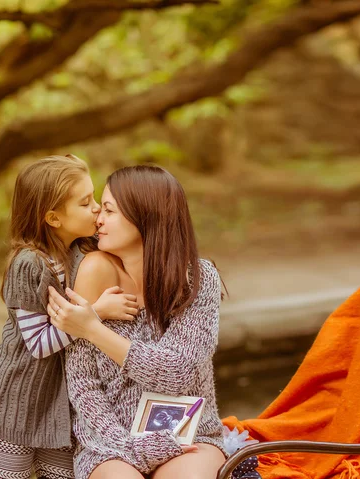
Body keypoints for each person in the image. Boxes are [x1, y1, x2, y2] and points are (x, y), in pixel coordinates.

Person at [47, 165, 226, 479]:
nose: (98, 219)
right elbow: (84, 388)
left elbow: (179, 372)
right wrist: (129, 447)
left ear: (145, 216)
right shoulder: (94, 272)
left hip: (188, 434)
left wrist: (92, 329)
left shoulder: (197, 278)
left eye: (109, 210)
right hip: (109, 444)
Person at [0, 155, 137, 479]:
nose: (96, 208)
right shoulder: (29, 265)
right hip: (16, 404)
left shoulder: (81, 250)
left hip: (58, 406)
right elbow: (38, 344)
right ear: (53, 218)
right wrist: (97, 313)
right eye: (85, 203)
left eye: (95, 199)